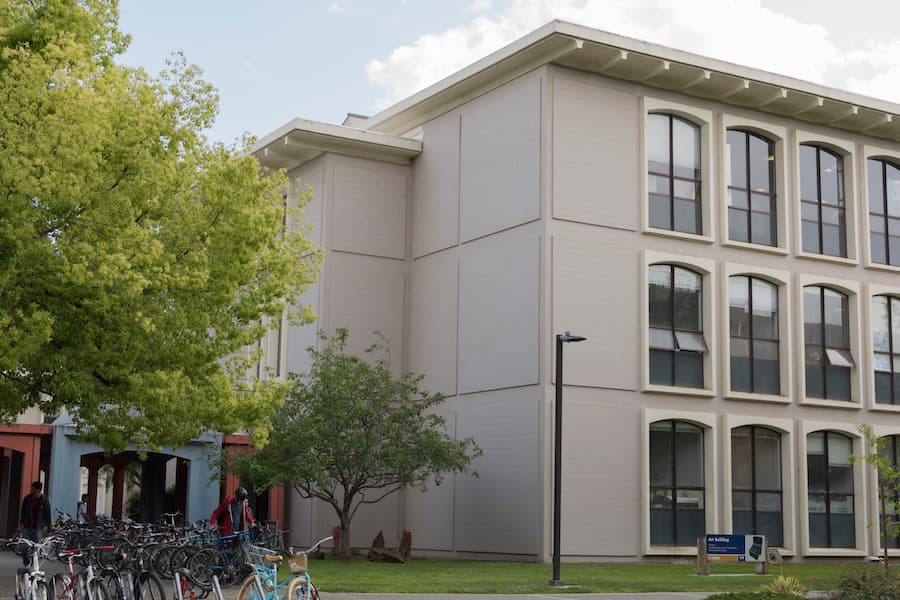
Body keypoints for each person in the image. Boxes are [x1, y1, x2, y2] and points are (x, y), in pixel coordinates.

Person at [19, 481, 51, 567]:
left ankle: (34, 565)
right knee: (23, 547)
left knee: (36, 549)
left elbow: (48, 515)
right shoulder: (27, 498)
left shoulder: (44, 500)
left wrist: (49, 529)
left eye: (33, 488)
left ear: (38, 490)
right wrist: (22, 523)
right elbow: (23, 512)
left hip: (38, 528)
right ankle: (26, 561)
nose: (31, 489)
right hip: (27, 527)